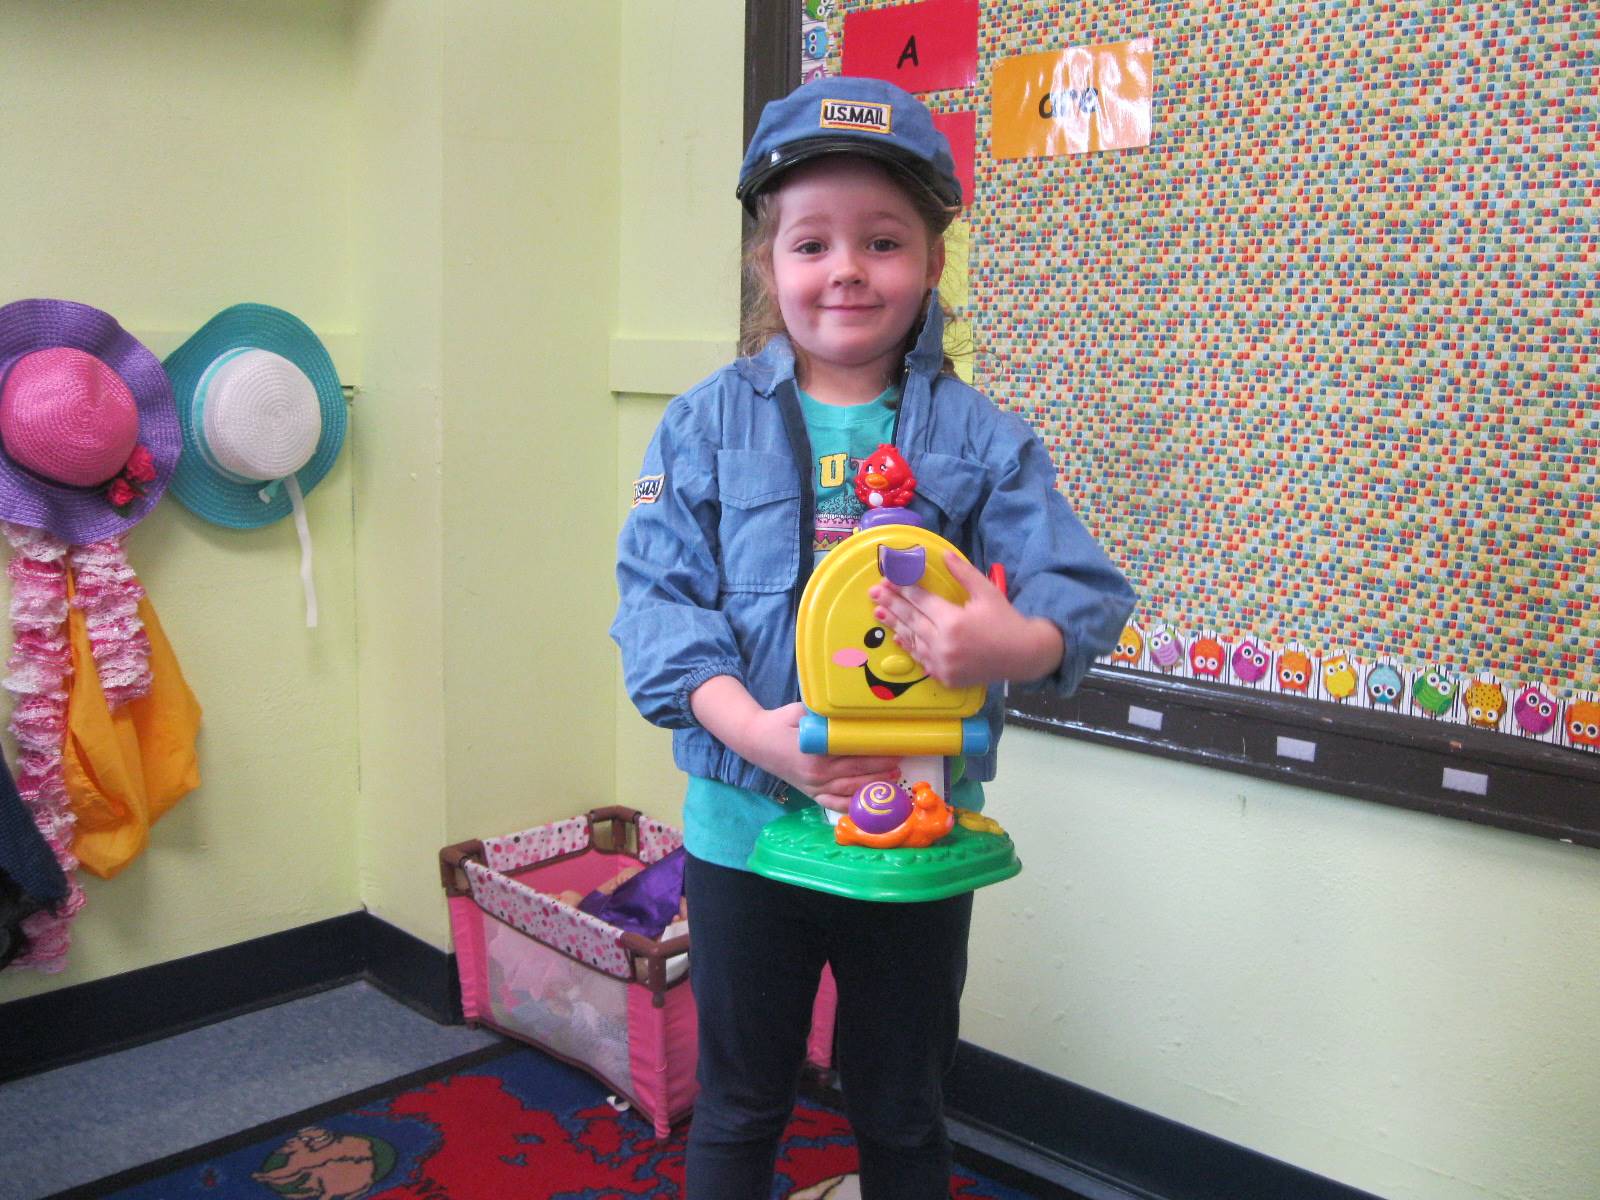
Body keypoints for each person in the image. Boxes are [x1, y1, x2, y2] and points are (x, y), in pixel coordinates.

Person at [611, 75, 1136, 1200]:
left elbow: (1083, 596)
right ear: (769, 264)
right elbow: (656, 609)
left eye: (883, 241)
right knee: (740, 1099)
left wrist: (1012, 645)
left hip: (916, 840)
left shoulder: (987, 440)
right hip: (744, 829)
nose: (845, 268)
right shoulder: (700, 424)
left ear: (933, 263)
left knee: (901, 1107)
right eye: (812, 243)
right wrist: (752, 731)